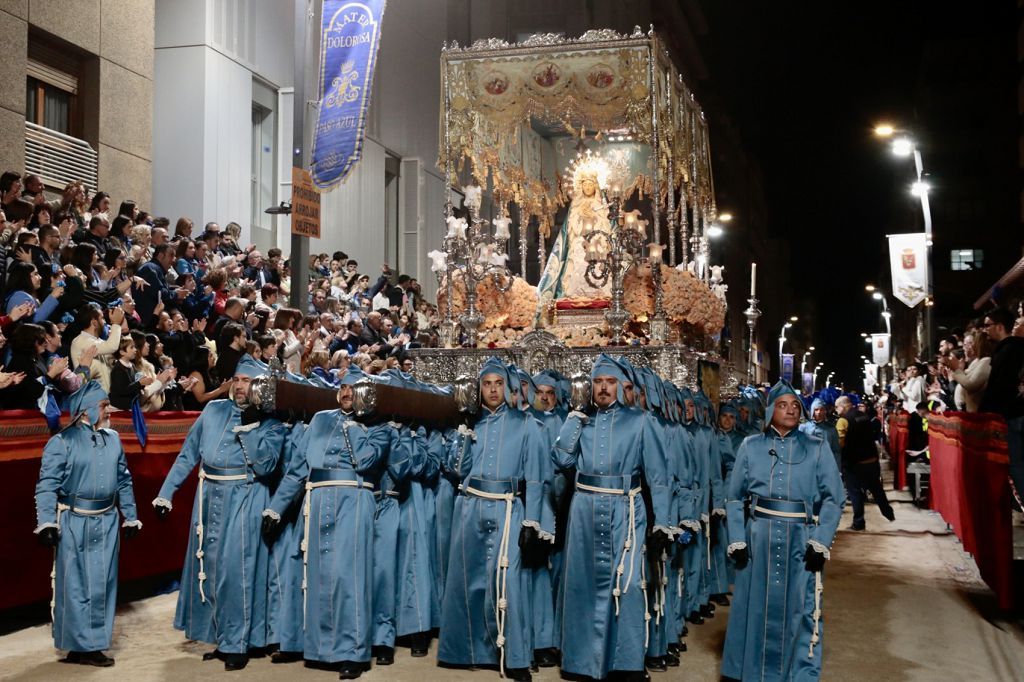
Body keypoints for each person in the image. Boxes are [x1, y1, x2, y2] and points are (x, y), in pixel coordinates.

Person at [261, 367, 400, 679]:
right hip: (318, 500)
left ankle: (354, 653)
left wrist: (353, 425)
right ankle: (315, 647)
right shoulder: (321, 419)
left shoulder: (380, 427)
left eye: (355, 389)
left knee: (348, 577)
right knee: (315, 574)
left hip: (354, 500)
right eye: (344, 387)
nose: (348, 393)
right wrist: (276, 508)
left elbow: (365, 461)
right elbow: (298, 469)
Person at [152, 356, 287, 671]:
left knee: (235, 571)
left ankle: (238, 643)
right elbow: (188, 454)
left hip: (245, 496)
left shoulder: (271, 422)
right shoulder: (213, 410)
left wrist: (251, 426)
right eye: (237, 379)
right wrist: (165, 493)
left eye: (247, 381)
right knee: (208, 567)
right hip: (208, 495)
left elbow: (266, 465)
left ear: (260, 388)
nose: (240, 386)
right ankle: (220, 637)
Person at [552, 354, 673, 682]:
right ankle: (580, 663)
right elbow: (562, 460)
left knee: (629, 585)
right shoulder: (581, 419)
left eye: (610, 382)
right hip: (584, 511)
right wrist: (574, 418)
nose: (603, 389)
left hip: (625, 510)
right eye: (598, 382)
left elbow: (659, 476)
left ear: (622, 387)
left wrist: (662, 521)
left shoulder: (641, 421)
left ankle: (628, 663)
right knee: (583, 585)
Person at [721, 381, 845, 681]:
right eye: (782, 404)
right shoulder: (750, 446)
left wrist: (820, 541)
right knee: (753, 606)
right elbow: (734, 497)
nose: (790, 409)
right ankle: (746, 672)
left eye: (794, 405)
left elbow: (834, 498)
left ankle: (797, 674)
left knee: (800, 609)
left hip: (800, 540)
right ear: (769, 411)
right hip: (758, 537)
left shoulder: (816, 448)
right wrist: (737, 538)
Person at [438, 357, 551, 681]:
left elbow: (536, 480)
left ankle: (514, 657)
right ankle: (465, 652)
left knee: (509, 583)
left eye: (497, 384)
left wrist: (531, 522)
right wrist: (461, 434)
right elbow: (457, 470)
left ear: (507, 387)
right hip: (470, 507)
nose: (491, 390)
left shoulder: (527, 424)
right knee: (468, 580)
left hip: (506, 508)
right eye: (486, 384)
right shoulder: (471, 424)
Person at [34, 381, 142, 667]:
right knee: (75, 586)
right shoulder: (61, 442)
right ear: (86, 410)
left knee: (103, 584)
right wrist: (46, 523)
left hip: (106, 521)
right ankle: (78, 645)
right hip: (73, 522)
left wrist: (130, 515)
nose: (109, 410)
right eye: (104, 405)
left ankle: (92, 644)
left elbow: (124, 480)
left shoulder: (114, 438)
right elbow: (46, 486)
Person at [536, 166, 613, 319]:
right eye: (585, 184)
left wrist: (594, 218)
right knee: (578, 258)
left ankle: (599, 293)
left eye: (591, 184)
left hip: (597, 243)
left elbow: (605, 227)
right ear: (581, 186)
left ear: (596, 186)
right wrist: (582, 219)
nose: (588, 187)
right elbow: (572, 229)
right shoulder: (576, 205)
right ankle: (577, 293)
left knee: (599, 264)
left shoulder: (601, 205)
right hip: (580, 242)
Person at [978, 307, 1024, 502]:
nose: (985, 330)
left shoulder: (1009, 350)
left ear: (999, 327)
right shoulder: (1009, 349)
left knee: (1017, 465)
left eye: (987, 325)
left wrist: (984, 414)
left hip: (1013, 416)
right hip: (1013, 414)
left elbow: (1000, 387)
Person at [835, 396, 894, 530]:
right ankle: (888, 513)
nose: (836, 410)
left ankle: (859, 522)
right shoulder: (864, 416)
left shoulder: (843, 420)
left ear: (843, 406)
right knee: (876, 488)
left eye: (837, 407)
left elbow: (840, 442)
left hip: (854, 463)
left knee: (855, 492)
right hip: (871, 460)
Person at [800, 397, 841, 473]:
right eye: (816, 410)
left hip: (827, 465)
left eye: (821, 409)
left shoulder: (831, 429)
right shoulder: (803, 427)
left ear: (825, 411)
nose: (819, 412)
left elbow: (836, 451)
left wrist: (837, 470)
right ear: (812, 411)